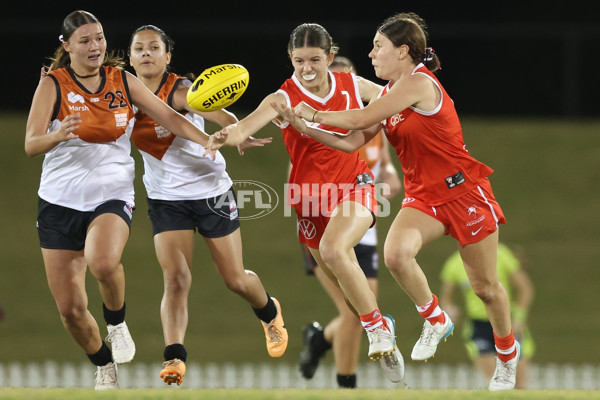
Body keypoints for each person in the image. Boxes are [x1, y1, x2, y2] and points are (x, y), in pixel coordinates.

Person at [271, 12, 520, 391]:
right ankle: (435, 318)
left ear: (403, 52)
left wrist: (314, 111)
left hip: (464, 192)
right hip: (423, 197)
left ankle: (507, 354)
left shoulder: (418, 83)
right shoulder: (390, 93)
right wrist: (307, 129)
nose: (371, 54)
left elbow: (361, 118)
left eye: (378, 47)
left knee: (485, 287)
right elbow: (354, 140)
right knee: (395, 255)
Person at [25, 10, 223, 390]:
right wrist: (57, 135)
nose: (95, 46)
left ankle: (116, 323)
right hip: (58, 201)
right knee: (70, 311)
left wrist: (207, 140)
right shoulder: (53, 85)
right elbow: (31, 144)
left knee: (103, 262)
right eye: (84, 40)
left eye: (98, 37)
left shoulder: (122, 80)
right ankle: (103, 363)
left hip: (110, 193)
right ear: (67, 47)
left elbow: (171, 115)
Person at [207, 23, 404, 384]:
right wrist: (223, 134)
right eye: (299, 61)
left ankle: (379, 332)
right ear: (290, 59)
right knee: (350, 301)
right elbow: (242, 128)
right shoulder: (281, 99)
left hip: (354, 185)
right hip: (308, 200)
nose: (307, 68)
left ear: (330, 57)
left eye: (315, 59)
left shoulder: (352, 85)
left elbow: (398, 98)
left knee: (334, 249)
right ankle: (380, 322)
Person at [127, 25, 286, 387]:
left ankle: (269, 311)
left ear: (168, 56)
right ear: (131, 57)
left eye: (155, 47)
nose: (147, 53)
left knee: (234, 280)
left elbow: (220, 115)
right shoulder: (124, 97)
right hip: (166, 199)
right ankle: (174, 356)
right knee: (176, 278)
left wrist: (236, 132)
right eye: (139, 48)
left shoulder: (181, 90)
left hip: (211, 192)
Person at [298, 56, 402, 388]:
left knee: (358, 311)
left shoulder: (371, 128)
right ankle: (345, 381)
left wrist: (383, 178)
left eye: (349, 85)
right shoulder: (314, 130)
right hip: (320, 219)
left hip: (357, 218)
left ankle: (328, 353)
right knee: (352, 310)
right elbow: (297, 179)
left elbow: (389, 175)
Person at [440, 243, 535, 389]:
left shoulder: (501, 254)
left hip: (506, 323)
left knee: (519, 384)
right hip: (479, 326)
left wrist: (519, 317)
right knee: (495, 382)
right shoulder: (454, 264)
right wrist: (449, 310)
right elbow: (446, 298)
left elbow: (525, 288)